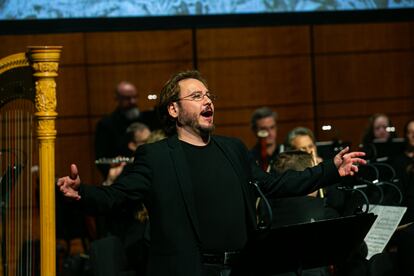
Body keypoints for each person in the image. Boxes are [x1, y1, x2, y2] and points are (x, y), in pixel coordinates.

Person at [58, 70, 366, 276]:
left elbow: (273, 184)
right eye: (196, 96)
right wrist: (81, 192)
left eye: (209, 96)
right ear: (173, 110)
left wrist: (330, 171)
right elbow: (116, 196)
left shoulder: (231, 148)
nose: (207, 101)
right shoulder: (156, 157)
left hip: (241, 269)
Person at [249, 107, 280, 173]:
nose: (270, 133)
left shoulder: (286, 152)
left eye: (272, 127)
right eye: (264, 129)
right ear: (255, 131)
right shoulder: (249, 157)